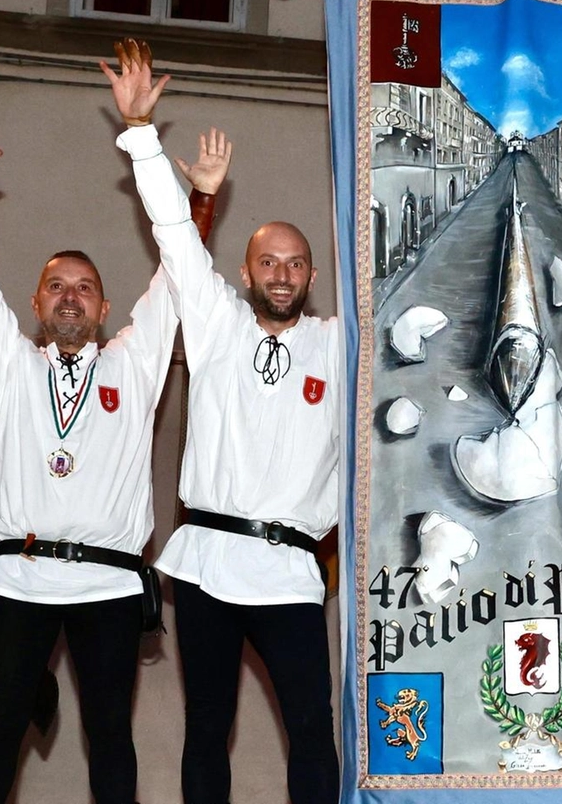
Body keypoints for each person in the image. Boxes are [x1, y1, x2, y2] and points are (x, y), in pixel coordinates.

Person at [0, 39, 230, 804]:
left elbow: (180, 275)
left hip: (106, 581)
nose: (70, 296)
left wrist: (173, 173)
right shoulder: (9, 362)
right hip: (16, 577)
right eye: (54, 286)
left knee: (111, 737)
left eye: (85, 287)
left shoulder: (134, 361)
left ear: (107, 308)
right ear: (35, 305)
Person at [119, 49, 341, 804]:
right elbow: (175, 234)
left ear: (311, 277)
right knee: (206, 728)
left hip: (289, 573)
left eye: (296, 264)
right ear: (244, 274)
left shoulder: (342, 345)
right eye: (268, 262)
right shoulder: (213, 323)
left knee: (313, 731)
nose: (281, 273)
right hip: (208, 563)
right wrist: (143, 132)